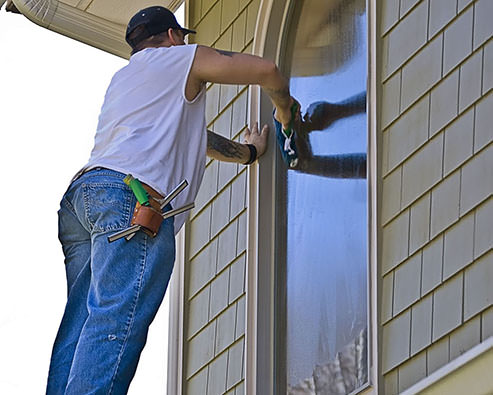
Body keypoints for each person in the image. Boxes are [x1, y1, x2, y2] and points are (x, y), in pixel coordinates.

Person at [46, 5, 296, 394]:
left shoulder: (126, 78)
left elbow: (196, 139)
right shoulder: (181, 58)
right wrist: (285, 114)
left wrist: (246, 154)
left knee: (83, 325)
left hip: (85, 198)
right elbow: (268, 71)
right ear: (175, 36)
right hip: (130, 203)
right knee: (115, 322)